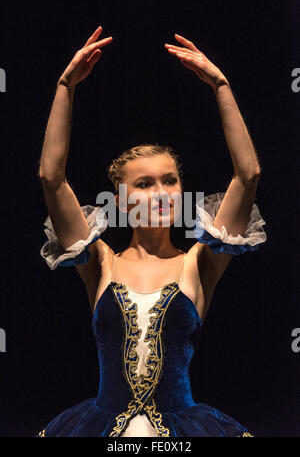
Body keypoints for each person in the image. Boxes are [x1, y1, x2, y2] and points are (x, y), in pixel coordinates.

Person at [37, 25, 267, 437]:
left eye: (170, 180)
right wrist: (64, 87)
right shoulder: (99, 262)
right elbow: (51, 178)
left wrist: (221, 86)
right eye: (143, 185)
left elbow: (247, 175)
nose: (160, 193)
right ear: (122, 201)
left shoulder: (201, 262)